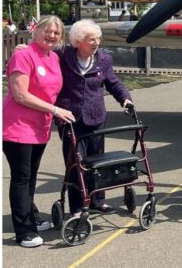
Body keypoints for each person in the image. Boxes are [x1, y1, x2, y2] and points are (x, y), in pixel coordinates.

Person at [2, 16, 72, 248]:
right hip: (17, 126)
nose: (52, 35)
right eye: (47, 31)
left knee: (31, 175)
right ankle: (24, 231)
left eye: (56, 33)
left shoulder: (54, 57)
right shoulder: (23, 55)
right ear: (36, 30)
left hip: (39, 127)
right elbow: (20, 94)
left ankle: (30, 215)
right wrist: (55, 110)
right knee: (21, 177)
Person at [55, 19, 132, 215]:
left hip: (96, 116)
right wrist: (23, 49)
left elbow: (113, 82)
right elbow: (41, 54)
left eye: (98, 38)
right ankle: (76, 206)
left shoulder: (104, 59)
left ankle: (97, 200)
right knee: (75, 163)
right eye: (91, 39)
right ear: (78, 41)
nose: (96, 43)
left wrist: (125, 99)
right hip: (71, 118)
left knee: (98, 160)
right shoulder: (62, 56)